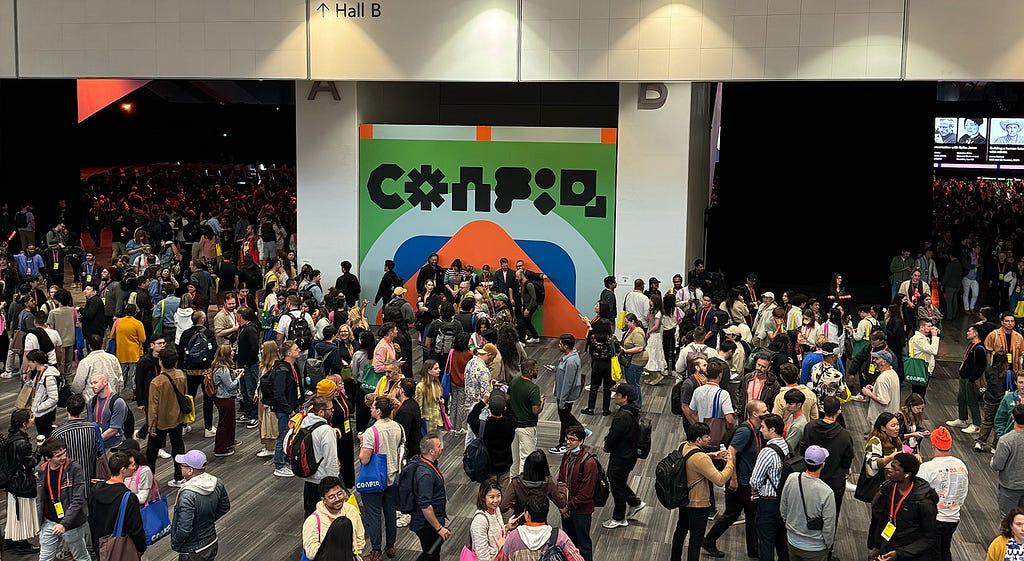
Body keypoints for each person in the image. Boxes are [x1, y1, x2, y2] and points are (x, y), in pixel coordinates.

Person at [703, 400, 766, 559]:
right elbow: (731, 452)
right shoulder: (745, 431)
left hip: (751, 483)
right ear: (754, 414)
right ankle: (709, 541)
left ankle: (753, 550)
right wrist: (733, 478)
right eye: (764, 410)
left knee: (750, 515)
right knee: (733, 514)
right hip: (741, 483)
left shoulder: (758, 430)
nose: (767, 412)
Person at [671, 422, 735, 561]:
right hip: (698, 504)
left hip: (684, 499)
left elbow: (693, 460)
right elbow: (720, 479)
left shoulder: (684, 445)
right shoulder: (701, 458)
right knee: (696, 540)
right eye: (706, 436)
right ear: (699, 439)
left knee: (680, 531)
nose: (709, 439)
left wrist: (713, 455)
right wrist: (730, 462)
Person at [868, 453, 939, 560]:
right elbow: (882, 519)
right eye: (891, 466)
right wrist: (877, 546)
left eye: (894, 469)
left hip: (910, 553)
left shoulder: (924, 501)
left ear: (907, 474)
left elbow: (929, 537)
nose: (889, 470)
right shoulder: (888, 488)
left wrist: (899, 554)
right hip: (888, 545)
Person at [360, 395, 405, 561]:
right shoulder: (398, 427)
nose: (371, 409)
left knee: (373, 515)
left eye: (373, 407)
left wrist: (362, 443)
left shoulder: (371, 432)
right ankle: (391, 545)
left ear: (378, 411)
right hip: (393, 476)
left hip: (375, 479)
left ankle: (376, 550)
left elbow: (364, 458)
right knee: (390, 513)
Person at [797, 397, 854, 521]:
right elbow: (847, 459)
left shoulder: (809, 427)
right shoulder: (844, 435)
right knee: (831, 514)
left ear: (822, 408)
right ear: (839, 411)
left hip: (810, 477)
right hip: (834, 481)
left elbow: (803, 449)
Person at [170, 450, 231, 561]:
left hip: (192, 550)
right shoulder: (217, 483)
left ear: (190, 470)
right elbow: (224, 507)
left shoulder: (187, 495)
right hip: (211, 541)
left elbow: (184, 528)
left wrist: (175, 544)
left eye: (182, 466)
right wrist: (207, 520)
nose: (180, 468)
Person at [918, 427, 968, 561]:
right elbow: (963, 492)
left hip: (933, 518)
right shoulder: (961, 465)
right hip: (952, 517)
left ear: (933, 445)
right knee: (945, 549)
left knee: (929, 553)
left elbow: (918, 494)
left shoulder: (927, 468)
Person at [37, 437, 90, 561]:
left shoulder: (74, 468)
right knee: (45, 558)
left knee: (81, 556)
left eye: (64, 453)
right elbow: (40, 498)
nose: (63, 457)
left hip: (71, 523)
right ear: (48, 458)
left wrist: (64, 524)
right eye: (58, 456)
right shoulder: (42, 470)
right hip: (49, 521)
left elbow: (78, 499)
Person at [779, 445, 836, 561]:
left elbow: (783, 508)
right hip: (816, 548)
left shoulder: (792, 478)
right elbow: (829, 526)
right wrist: (828, 545)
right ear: (823, 464)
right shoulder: (826, 492)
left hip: (792, 541)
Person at [601, 383, 646, 529]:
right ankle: (634, 502)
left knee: (616, 484)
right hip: (629, 454)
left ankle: (619, 517)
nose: (615, 397)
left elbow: (615, 435)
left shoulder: (622, 417)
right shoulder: (633, 411)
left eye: (618, 395)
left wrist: (606, 445)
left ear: (625, 398)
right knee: (618, 480)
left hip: (621, 456)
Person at [89, 451, 146, 556]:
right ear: (123, 470)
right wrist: (141, 548)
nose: (134, 467)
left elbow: (91, 519)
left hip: (102, 547)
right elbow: (136, 529)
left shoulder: (95, 490)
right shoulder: (128, 497)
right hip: (122, 548)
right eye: (131, 465)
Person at [749, 413, 789, 561]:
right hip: (783, 501)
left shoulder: (767, 452)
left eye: (764, 427)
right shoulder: (786, 446)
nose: (761, 430)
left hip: (768, 502)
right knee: (781, 541)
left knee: (766, 543)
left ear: (772, 429)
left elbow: (755, 480)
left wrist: (755, 490)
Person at [555, 425, 598, 561]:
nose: (568, 442)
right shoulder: (567, 455)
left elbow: (586, 494)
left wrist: (567, 506)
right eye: (567, 439)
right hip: (566, 508)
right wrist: (562, 504)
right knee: (568, 543)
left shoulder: (589, 463)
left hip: (581, 511)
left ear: (581, 441)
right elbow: (561, 480)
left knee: (583, 544)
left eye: (572, 440)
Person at [147, 347, 188, 487]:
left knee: (151, 453)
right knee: (178, 447)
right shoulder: (181, 375)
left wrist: (151, 425)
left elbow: (153, 406)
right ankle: (179, 477)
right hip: (177, 418)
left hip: (160, 422)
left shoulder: (156, 382)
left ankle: (150, 479)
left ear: (160, 362)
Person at [302, 476, 365, 561]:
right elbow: (311, 551)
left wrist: (356, 553)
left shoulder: (351, 510)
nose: (337, 499)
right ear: (323, 500)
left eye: (339, 494)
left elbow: (359, 535)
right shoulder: (313, 521)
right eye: (331, 497)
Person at [4, 409, 40, 555]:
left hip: (12, 481)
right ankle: (22, 542)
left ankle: (10, 539)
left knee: (14, 511)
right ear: (25, 424)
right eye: (31, 418)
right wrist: (39, 450)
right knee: (23, 512)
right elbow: (30, 462)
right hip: (22, 482)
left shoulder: (11, 437)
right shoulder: (22, 443)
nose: (33, 419)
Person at [52, 394, 103, 487]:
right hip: (89, 479)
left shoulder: (57, 433)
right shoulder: (92, 429)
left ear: (67, 409)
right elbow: (100, 452)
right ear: (83, 409)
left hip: (67, 483)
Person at [468, 392, 518, 488]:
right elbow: (513, 414)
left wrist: (483, 402)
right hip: (505, 465)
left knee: (489, 493)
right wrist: (505, 401)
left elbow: (471, 417)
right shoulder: (510, 424)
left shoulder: (483, 426)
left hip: (488, 466)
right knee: (502, 495)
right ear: (504, 408)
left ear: (489, 408)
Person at [411, 436, 449, 561]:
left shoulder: (429, 465)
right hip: (426, 524)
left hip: (431, 521)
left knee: (432, 553)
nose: (442, 448)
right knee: (431, 554)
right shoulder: (425, 474)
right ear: (431, 452)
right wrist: (439, 528)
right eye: (439, 446)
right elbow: (425, 506)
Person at [500, 450, 568, 517]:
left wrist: (515, 505)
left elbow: (503, 507)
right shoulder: (548, 483)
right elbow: (561, 503)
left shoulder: (516, 483)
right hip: (541, 523)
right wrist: (562, 486)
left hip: (520, 522)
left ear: (526, 466)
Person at [269, 340, 303, 477]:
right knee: (283, 436)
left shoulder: (293, 367)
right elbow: (279, 393)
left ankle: (285, 460)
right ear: (289, 353)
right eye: (296, 349)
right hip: (285, 410)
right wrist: (289, 410)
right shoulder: (282, 370)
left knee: (290, 436)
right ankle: (279, 465)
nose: (299, 350)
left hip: (293, 406)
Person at [509, 358, 544, 478]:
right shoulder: (533, 389)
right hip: (527, 428)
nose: (537, 372)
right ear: (530, 371)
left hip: (513, 426)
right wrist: (542, 402)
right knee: (527, 459)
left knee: (514, 459)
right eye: (536, 369)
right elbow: (535, 410)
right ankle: (523, 486)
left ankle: (513, 484)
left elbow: (507, 398)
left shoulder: (514, 381)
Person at [949, 324, 987, 433]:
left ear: (975, 333)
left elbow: (981, 366)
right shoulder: (971, 345)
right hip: (964, 376)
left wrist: (972, 379)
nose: (967, 333)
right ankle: (962, 419)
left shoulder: (979, 348)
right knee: (961, 398)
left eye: (969, 331)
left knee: (972, 401)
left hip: (971, 379)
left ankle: (976, 424)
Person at [549, 334, 582, 454]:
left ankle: (563, 443)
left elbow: (568, 383)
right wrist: (555, 369)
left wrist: (562, 400)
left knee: (565, 421)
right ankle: (582, 430)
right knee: (566, 415)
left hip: (565, 396)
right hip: (562, 394)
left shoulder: (571, 361)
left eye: (560, 343)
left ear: (566, 346)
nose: (559, 345)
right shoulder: (568, 357)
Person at [993, 404, 1024, 515]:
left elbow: (997, 465)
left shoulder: (1006, 440)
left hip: (1010, 487)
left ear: (1012, 417)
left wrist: (992, 460)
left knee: (1007, 519)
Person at [87, 371, 130, 449]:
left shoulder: (117, 402)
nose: (92, 386)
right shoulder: (91, 402)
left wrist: (96, 441)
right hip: (98, 446)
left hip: (114, 446)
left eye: (95, 382)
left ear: (105, 382)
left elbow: (114, 429)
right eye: (91, 383)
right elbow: (90, 425)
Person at [470, 480, 506, 561]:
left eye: (498, 495)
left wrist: (507, 527)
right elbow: (483, 556)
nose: (496, 500)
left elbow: (497, 531)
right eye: (492, 497)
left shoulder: (496, 509)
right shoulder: (480, 521)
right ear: (483, 497)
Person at [863, 350, 900, 420]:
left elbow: (884, 400)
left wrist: (869, 393)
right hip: (891, 416)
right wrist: (875, 388)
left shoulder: (882, 378)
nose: (874, 360)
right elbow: (888, 390)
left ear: (884, 362)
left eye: (877, 359)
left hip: (881, 420)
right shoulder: (893, 373)